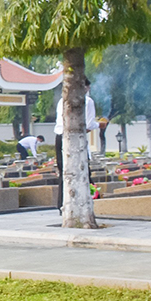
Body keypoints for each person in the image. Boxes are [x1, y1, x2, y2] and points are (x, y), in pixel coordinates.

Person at [54, 77, 98, 210]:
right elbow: (89, 124)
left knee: (65, 173)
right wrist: (97, 125)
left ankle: (63, 205)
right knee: (82, 171)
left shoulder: (62, 101)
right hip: (75, 138)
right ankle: (90, 202)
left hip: (60, 137)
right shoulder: (87, 101)